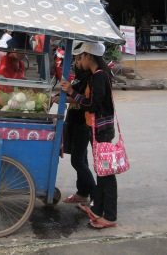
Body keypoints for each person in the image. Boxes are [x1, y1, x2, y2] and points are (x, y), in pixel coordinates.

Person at [60, 41, 117, 229]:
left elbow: (92, 105)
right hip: (96, 129)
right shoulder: (95, 75)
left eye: (81, 56)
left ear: (90, 56)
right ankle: (98, 210)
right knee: (101, 171)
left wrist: (72, 93)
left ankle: (109, 216)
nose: (79, 60)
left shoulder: (99, 76)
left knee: (105, 174)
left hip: (102, 130)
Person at [57, 42, 95, 205]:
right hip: (73, 118)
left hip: (83, 122)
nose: (77, 62)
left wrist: (67, 94)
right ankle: (83, 192)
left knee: (77, 160)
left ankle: (96, 194)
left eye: (80, 59)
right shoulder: (80, 74)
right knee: (81, 158)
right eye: (76, 59)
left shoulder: (92, 76)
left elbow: (86, 101)